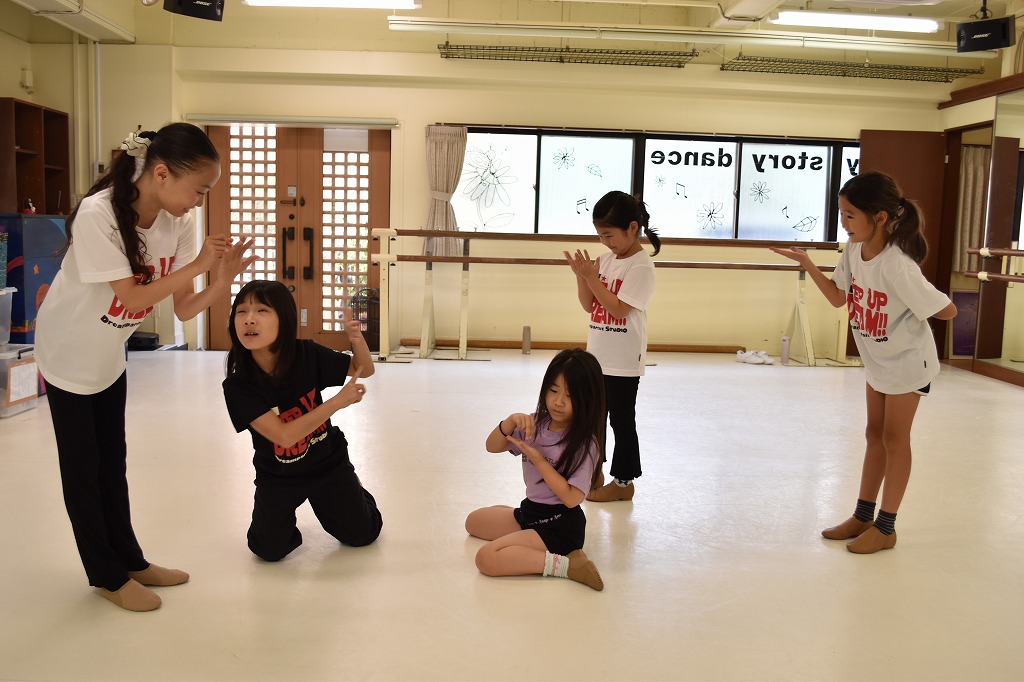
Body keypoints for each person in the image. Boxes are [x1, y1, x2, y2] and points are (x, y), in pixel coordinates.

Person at [35, 123, 255, 612]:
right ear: (160, 174)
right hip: (69, 352)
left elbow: (184, 309)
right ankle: (106, 576)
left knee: (113, 464)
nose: (198, 202)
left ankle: (131, 561)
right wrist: (198, 265)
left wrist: (221, 280)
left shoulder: (177, 222)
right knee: (84, 471)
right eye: (198, 190)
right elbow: (133, 297)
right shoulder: (99, 214)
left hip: (107, 354)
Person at [770, 170, 957, 554]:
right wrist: (807, 262)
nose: (844, 222)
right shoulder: (854, 251)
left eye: (850, 215)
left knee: (895, 439)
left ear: (880, 217)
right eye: (842, 213)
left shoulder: (897, 265)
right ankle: (862, 515)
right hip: (878, 361)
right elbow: (838, 298)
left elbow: (948, 310)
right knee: (874, 435)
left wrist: (913, 306)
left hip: (908, 364)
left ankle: (886, 528)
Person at [222, 280, 383, 566]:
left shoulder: (306, 354)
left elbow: (364, 369)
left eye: (262, 310)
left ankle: (354, 489)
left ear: (284, 319)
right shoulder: (238, 385)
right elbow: (283, 436)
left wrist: (356, 339)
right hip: (278, 474)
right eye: (241, 311)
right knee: (268, 550)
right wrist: (337, 402)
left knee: (362, 534)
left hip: (327, 463)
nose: (249, 319)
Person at [465, 348, 606, 591]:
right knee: (473, 522)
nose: (558, 402)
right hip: (532, 513)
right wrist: (509, 422)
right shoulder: (537, 423)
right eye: (553, 390)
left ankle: (568, 566)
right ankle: (534, 543)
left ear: (587, 399)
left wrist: (539, 461)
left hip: (560, 525)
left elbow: (572, 499)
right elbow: (492, 446)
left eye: (570, 396)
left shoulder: (585, 443)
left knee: (486, 558)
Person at [564, 191, 660, 502]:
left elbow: (618, 310)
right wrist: (582, 277)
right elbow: (589, 306)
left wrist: (593, 279)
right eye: (600, 236)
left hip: (623, 361)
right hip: (597, 358)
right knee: (592, 419)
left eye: (609, 235)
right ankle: (593, 470)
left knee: (621, 420)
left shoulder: (640, 266)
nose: (605, 242)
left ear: (632, 228)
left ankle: (623, 482)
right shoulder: (605, 260)